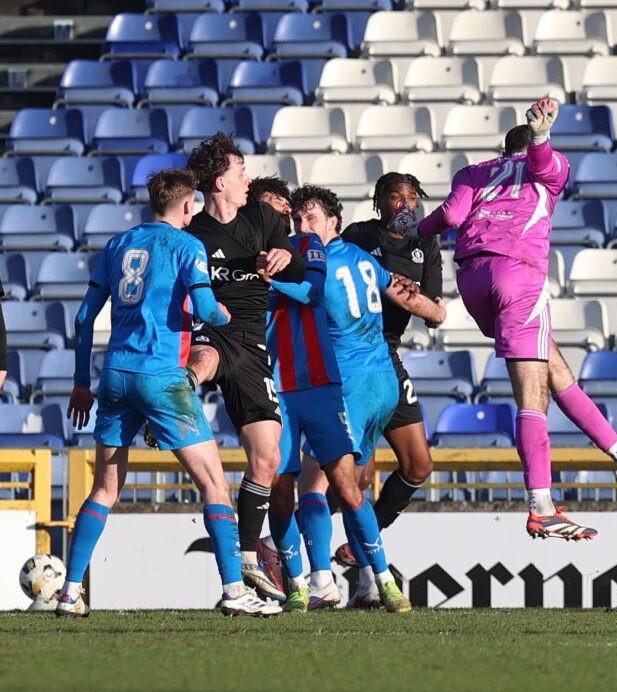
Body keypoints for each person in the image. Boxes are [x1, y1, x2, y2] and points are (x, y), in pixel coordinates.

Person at [400, 97, 617, 539]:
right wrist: (544, 137)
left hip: (472, 281)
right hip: (517, 274)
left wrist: (415, 229)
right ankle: (541, 504)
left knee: (555, 369)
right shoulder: (547, 165)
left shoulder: (473, 172)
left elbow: (449, 216)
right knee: (533, 393)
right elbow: (545, 166)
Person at [58, 169, 280, 618]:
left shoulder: (119, 245)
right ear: (185, 206)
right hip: (162, 377)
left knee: (104, 487)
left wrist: (82, 383)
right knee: (214, 484)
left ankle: (68, 591)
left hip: (116, 375)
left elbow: (83, 320)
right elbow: (203, 309)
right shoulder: (186, 245)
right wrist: (223, 314)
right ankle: (234, 590)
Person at [262, 186, 433, 613]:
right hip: (384, 381)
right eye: (298, 221)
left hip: (349, 384)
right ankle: (370, 584)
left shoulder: (308, 266)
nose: (303, 228)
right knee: (355, 480)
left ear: (334, 224)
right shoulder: (364, 259)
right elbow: (392, 290)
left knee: (319, 482)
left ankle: (314, 574)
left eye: (312, 220)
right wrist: (430, 305)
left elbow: (308, 297)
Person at [186, 134, 306, 602]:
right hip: (211, 329)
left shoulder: (264, 217)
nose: (247, 179)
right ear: (220, 182)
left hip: (253, 343)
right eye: (240, 172)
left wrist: (284, 258)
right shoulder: (191, 232)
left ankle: (249, 560)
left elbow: (297, 269)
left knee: (267, 457)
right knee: (205, 356)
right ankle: (182, 389)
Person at [342, 172, 444, 534]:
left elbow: (437, 315)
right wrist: (383, 283)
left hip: (387, 355)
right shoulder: (358, 236)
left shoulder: (427, 244)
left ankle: (363, 544)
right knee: (357, 477)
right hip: (352, 354)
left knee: (418, 465)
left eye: (412, 197)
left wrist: (413, 299)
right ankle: (290, 537)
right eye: (395, 196)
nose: (404, 203)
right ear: (378, 201)